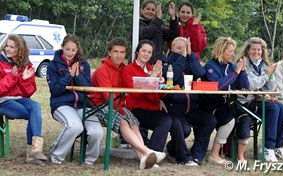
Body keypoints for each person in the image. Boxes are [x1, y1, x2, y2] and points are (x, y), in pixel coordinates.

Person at [90, 37, 165, 169]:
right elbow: (109, 97)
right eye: (115, 52)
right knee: (124, 122)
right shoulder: (102, 70)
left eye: (122, 52)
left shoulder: (121, 69)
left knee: (134, 122)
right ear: (109, 52)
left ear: (126, 54)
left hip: (118, 105)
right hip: (100, 106)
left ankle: (143, 159)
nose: (119, 55)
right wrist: (122, 109)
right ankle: (147, 151)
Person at [122, 39, 198, 166]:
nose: (146, 54)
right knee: (165, 120)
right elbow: (136, 93)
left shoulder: (152, 68)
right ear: (137, 52)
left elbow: (162, 93)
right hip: (136, 108)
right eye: (144, 51)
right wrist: (152, 77)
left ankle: (184, 158)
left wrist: (161, 80)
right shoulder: (129, 69)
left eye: (149, 52)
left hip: (153, 108)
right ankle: (151, 156)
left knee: (176, 122)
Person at [47, 34, 103, 165]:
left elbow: (89, 88)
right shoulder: (52, 65)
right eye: (67, 49)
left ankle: (89, 160)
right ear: (62, 47)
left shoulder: (84, 64)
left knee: (97, 132)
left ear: (77, 50)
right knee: (74, 126)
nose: (70, 53)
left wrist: (77, 76)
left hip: (83, 105)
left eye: (73, 50)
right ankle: (56, 155)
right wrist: (68, 76)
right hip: (62, 104)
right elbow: (55, 90)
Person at [162, 37, 216, 165]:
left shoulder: (190, 60)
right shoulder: (165, 61)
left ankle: (197, 155)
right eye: (178, 48)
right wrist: (182, 57)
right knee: (185, 130)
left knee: (210, 121)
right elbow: (173, 76)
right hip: (174, 108)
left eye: (184, 48)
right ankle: (172, 149)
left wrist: (191, 55)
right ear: (171, 48)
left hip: (192, 107)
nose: (181, 51)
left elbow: (200, 72)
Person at [236, 37, 283, 162]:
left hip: (260, 100)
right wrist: (266, 75)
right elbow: (250, 85)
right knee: (272, 109)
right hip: (246, 102)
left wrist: (270, 77)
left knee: (281, 107)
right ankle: (268, 147)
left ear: (262, 51)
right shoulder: (244, 63)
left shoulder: (265, 64)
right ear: (248, 50)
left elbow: (271, 88)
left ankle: (278, 146)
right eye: (253, 49)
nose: (256, 52)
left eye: (259, 50)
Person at [200, 37, 250, 165]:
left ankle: (240, 155)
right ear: (221, 51)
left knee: (245, 117)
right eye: (230, 51)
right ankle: (214, 154)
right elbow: (219, 87)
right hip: (212, 104)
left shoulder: (232, 66)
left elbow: (245, 88)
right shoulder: (211, 66)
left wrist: (242, 71)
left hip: (230, 104)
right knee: (228, 119)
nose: (233, 54)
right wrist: (236, 71)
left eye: (234, 51)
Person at [0, 34, 47, 166]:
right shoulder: (0, 62)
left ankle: (35, 151)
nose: (7, 49)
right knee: (34, 115)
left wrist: (24, 80)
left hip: (19, 99)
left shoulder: (26, 65)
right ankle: (33, 153)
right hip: (3, 101)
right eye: (7, 46)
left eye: (12, 47)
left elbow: (28, 92)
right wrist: (13, 77)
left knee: (35, 106)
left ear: (19, 50)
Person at [139, 0, 179, 64]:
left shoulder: (157, 25)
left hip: (157, 63)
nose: (150, 11)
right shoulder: (137, 24)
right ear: (142, 10)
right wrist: (158, 18)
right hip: (142, 63)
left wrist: (173, 17)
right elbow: (148, 33)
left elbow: (172, 34)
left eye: (153, 10)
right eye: (148, 9)